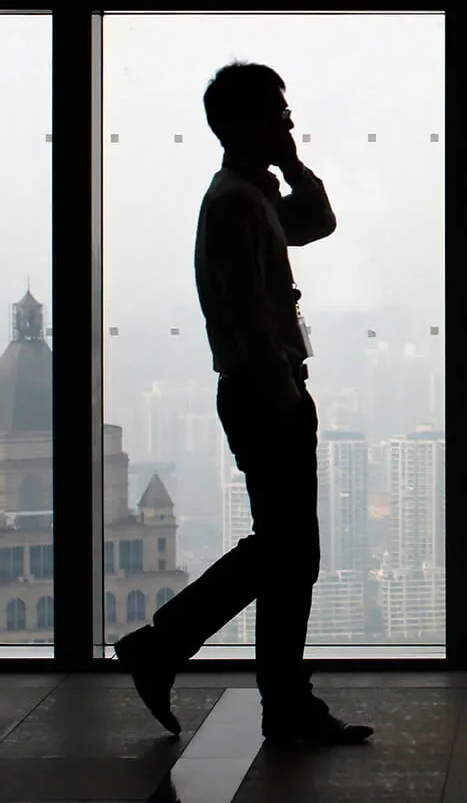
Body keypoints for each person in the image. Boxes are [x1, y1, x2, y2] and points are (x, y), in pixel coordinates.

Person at [115, 62, 371, 746]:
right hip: (266, 392)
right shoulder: (233, 201)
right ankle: (182, 654)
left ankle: (225, 675)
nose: (290, 123)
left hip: (271, 388)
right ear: (244, 122)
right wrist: (285, 396)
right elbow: (248, 316)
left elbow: (317, 221)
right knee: (287, 552)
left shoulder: (250, 193)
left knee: (287, 553)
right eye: (279, 113)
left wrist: (291, 165)